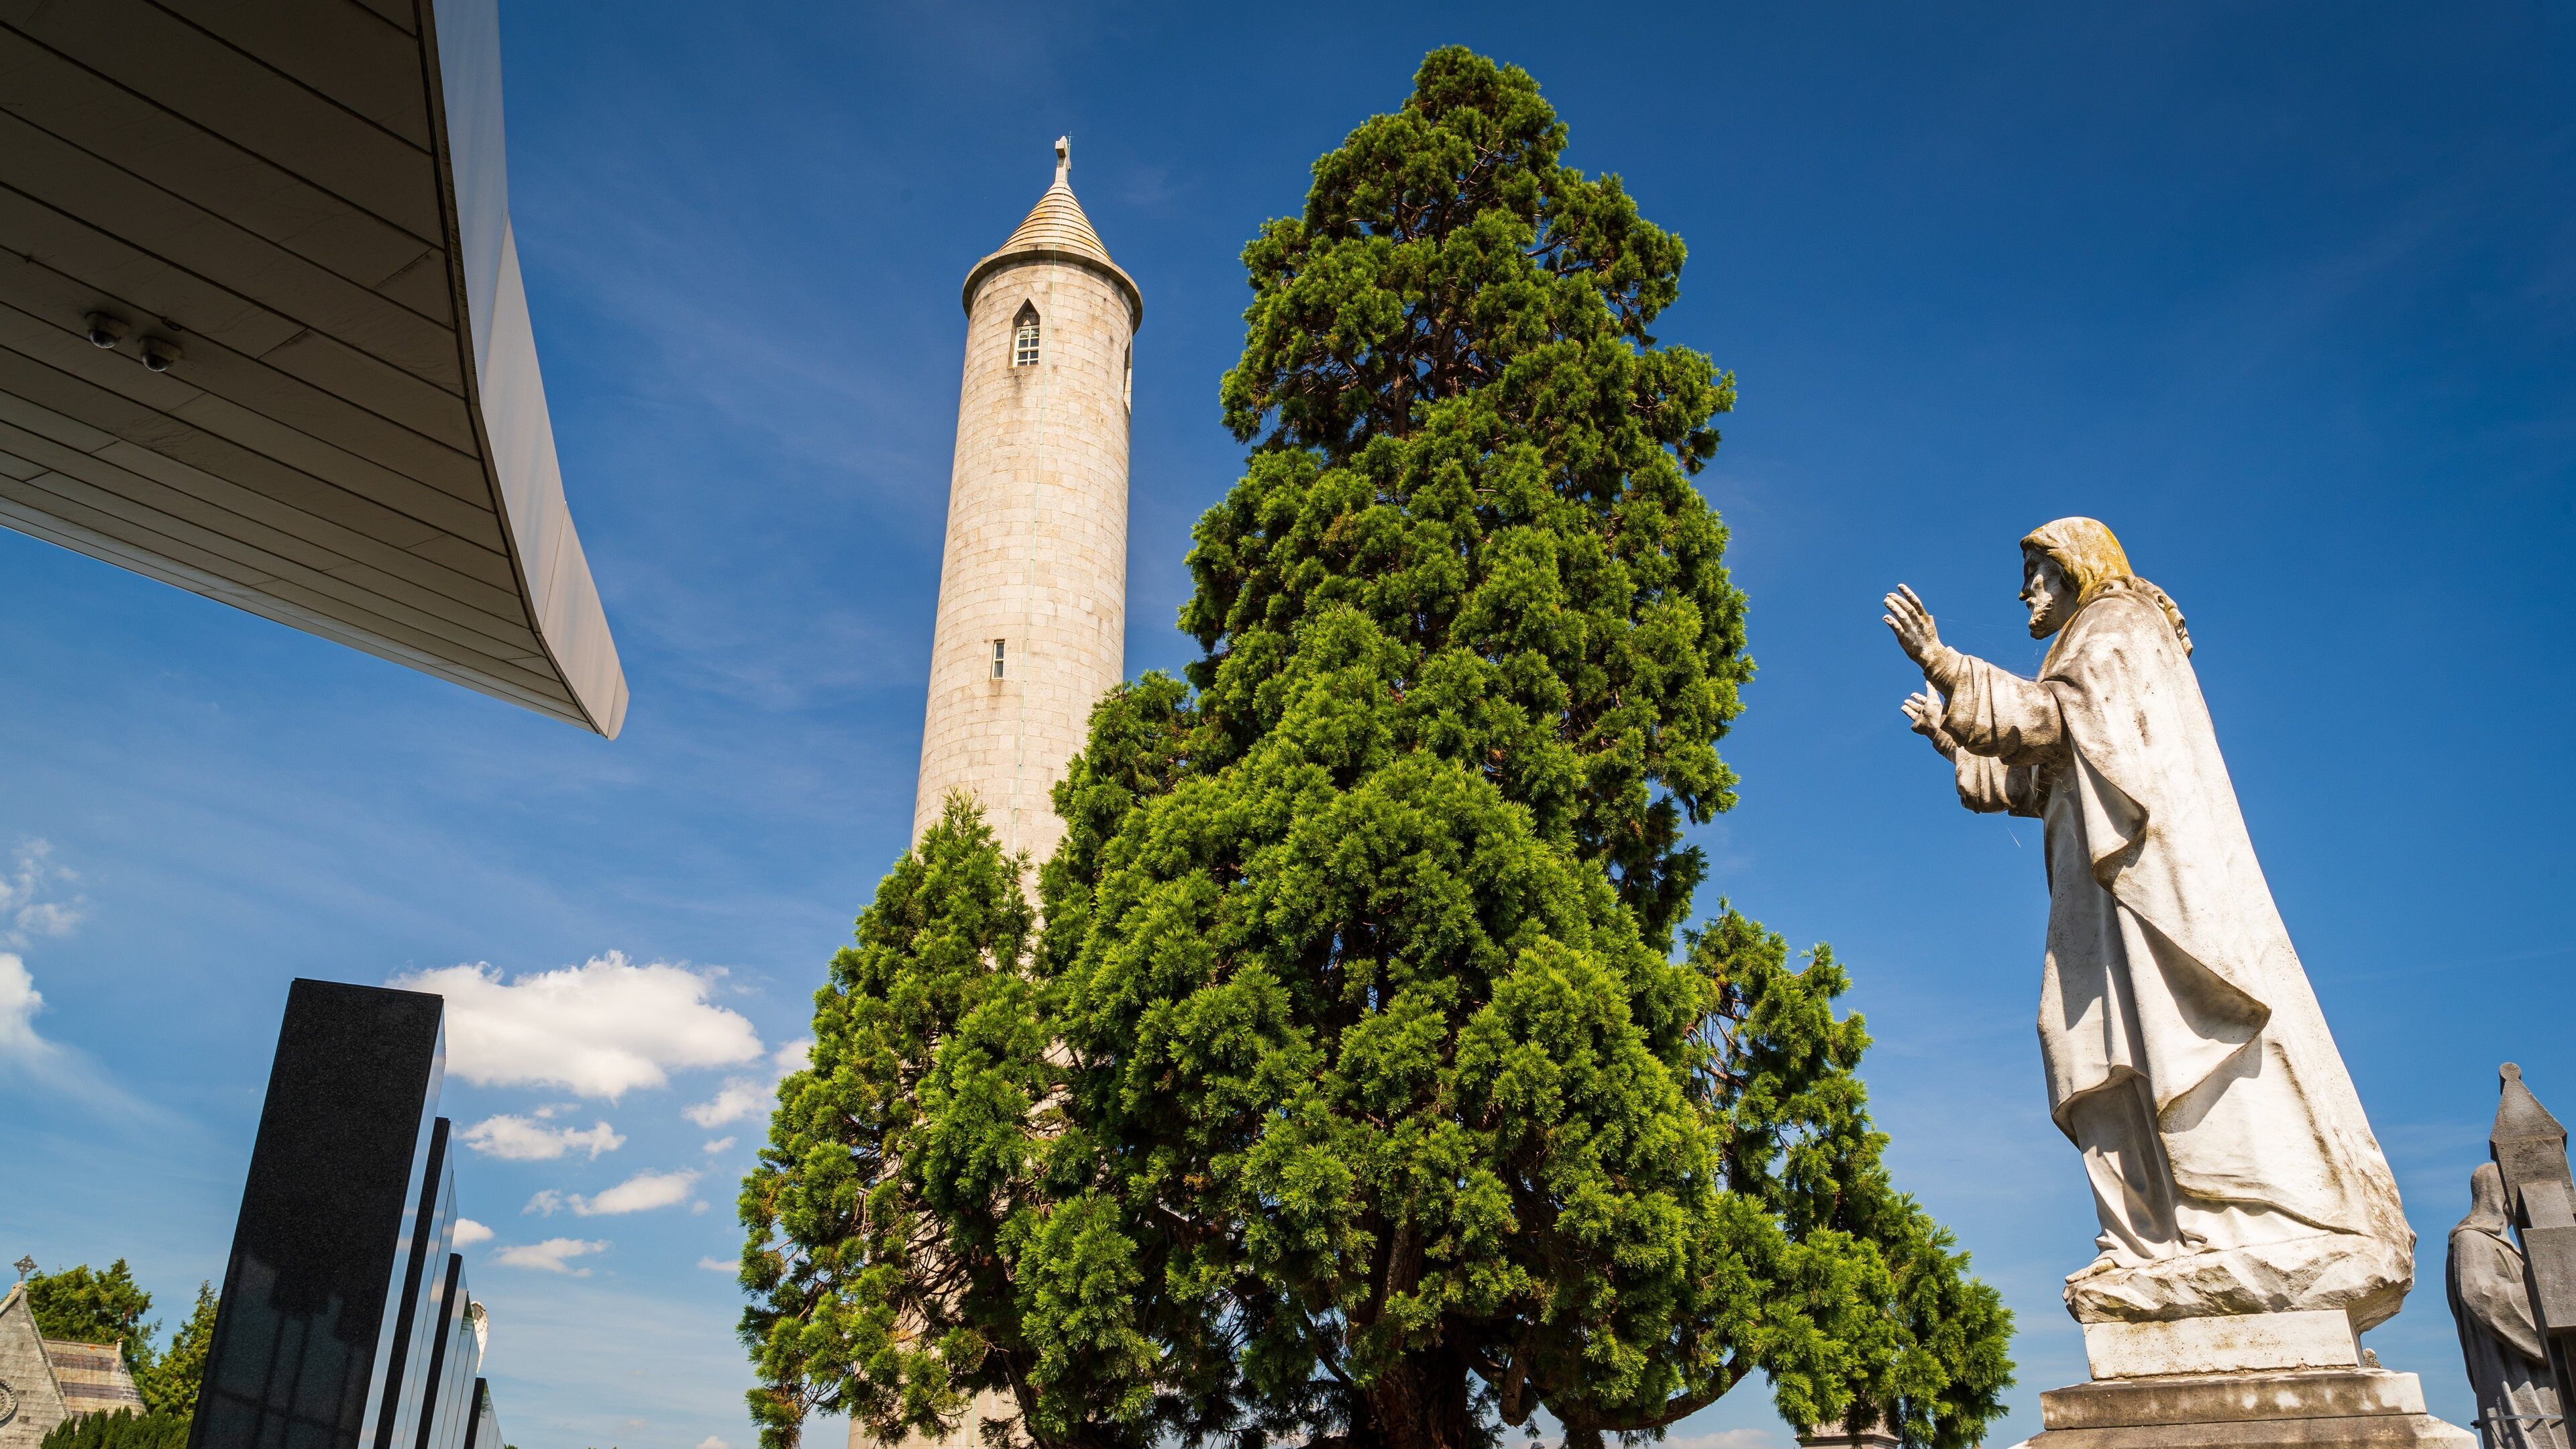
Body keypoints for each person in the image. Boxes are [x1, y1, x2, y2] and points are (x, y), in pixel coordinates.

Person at [1883, 517, 2411, 1325]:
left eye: (2038, 572)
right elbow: (2038, 781)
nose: (2025, 590)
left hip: (2145, 891)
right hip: (2095, 893)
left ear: (2077, 571)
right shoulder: (2078, 648)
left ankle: (2232, 1219)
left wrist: (1945, 663)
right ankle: (2147, 1238)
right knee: (2088, 1043)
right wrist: (1950, 735)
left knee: (2166, 1038)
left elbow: (2047, 726)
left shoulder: (2118, 628)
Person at [2449, 1163, 2565, 1449]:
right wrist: (2543, 1295)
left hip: (2533, 1365)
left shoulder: (2506, 1244)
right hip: (2512, 1365)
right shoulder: (2471, 1239)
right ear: (2499, 1195)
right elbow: (2482, 1297)